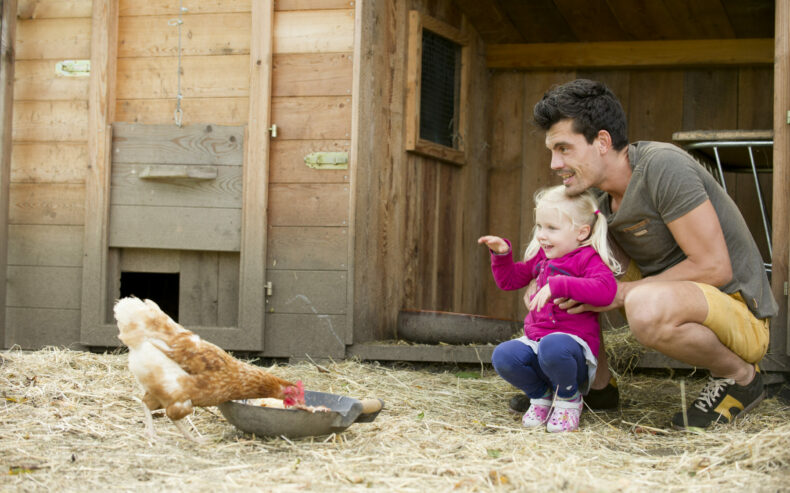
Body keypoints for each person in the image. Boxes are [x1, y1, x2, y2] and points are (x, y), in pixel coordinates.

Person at [530, 78, 777, 430]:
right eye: (552, 151)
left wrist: (622, 294)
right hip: (678, 298)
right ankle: (595, 385)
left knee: (643, 306)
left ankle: (739, 378)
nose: (555, 163)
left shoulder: (662, 167)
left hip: (738, 312)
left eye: (564, 149)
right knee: (567, 274)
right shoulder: (599, 202)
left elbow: (715, 267)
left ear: (601, 141)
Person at [480, 185, 620, 432]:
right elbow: (510, 280)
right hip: (538, 344)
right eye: (540, 227)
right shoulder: (542, 259)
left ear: (582, 232)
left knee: (553, 345)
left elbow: (606, 289)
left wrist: (558, 285)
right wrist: (501, 255)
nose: (541, 235)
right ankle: (541, 396)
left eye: (552, 228)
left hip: (570, 352)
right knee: (503, 356)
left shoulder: (588, 258)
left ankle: (569, 399)